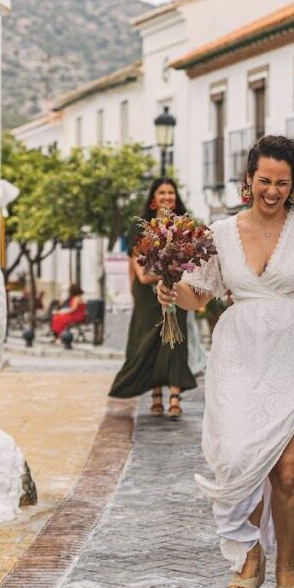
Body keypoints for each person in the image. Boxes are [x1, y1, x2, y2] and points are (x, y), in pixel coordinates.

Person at [158, 136, 294, 588]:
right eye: (264, 181)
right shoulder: (219, 233)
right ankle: (250, 552)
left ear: (292, 185)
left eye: (282, 183)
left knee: (288, 469)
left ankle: (286, 566)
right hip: (240, 355)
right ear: (248, 180)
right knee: (241, 460)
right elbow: (198, 297)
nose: (272, 191)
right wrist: (169, 288)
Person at [109, 177, 196, 419]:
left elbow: (191, 262)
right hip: (147, 295)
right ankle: (156, 394)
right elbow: (141, 272)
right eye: (162, 193)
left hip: (175, 289)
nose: (167, 197)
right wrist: (169, 268)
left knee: (175, 340)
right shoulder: (140, 228)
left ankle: (175, 396)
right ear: (153, 200)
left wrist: (174, 271)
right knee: (151, 340)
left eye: (171, 193)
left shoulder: (184, 226)